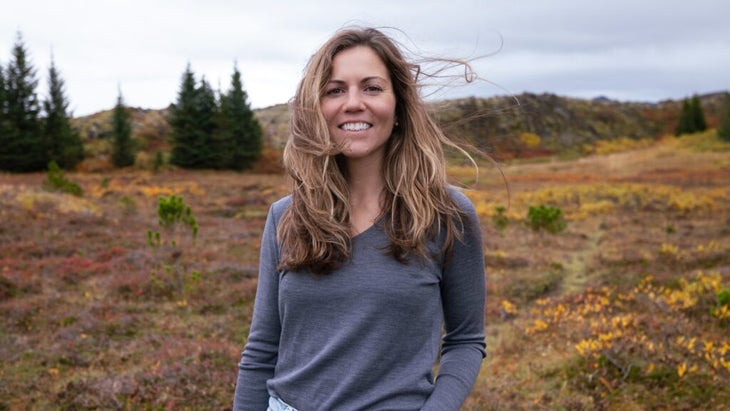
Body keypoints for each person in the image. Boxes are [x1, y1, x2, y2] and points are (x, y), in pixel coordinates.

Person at [234, 26, 486, 411]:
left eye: (371, 88)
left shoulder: (447, 216)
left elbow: (466, 339)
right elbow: (262, 347)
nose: (353, 103)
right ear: (317, 108)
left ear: (398, 104)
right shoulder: (286, 217)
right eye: (335, 90)